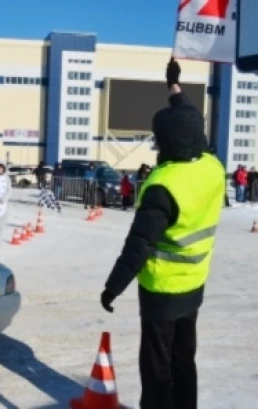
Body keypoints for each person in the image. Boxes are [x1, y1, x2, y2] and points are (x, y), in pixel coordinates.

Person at [100, 58, 225, 409]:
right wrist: (174, 86)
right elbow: (187, 117)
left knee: (156, 366)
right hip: (194, 284)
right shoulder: (213, 168)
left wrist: (112, 288)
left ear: (165, 140)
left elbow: (138, 246)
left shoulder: (162, 185)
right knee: (185, 361)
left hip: (161, 292)